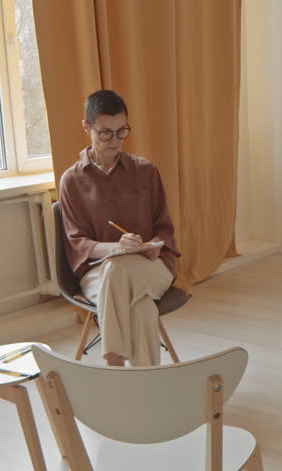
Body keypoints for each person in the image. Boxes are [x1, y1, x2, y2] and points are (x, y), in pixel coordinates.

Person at [58, 90, 180, 366]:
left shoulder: (146, 171)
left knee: (119, 271)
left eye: (121, 131)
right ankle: (146, 388)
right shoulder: (72, 181)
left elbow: (164, 228)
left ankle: (113, 368)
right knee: (142, 308)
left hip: (151, 267)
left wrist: (154, 245)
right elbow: (78, 243)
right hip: (98, 272)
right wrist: (117, 248)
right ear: (86, 128)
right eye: (105, 133)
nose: (115, 141)